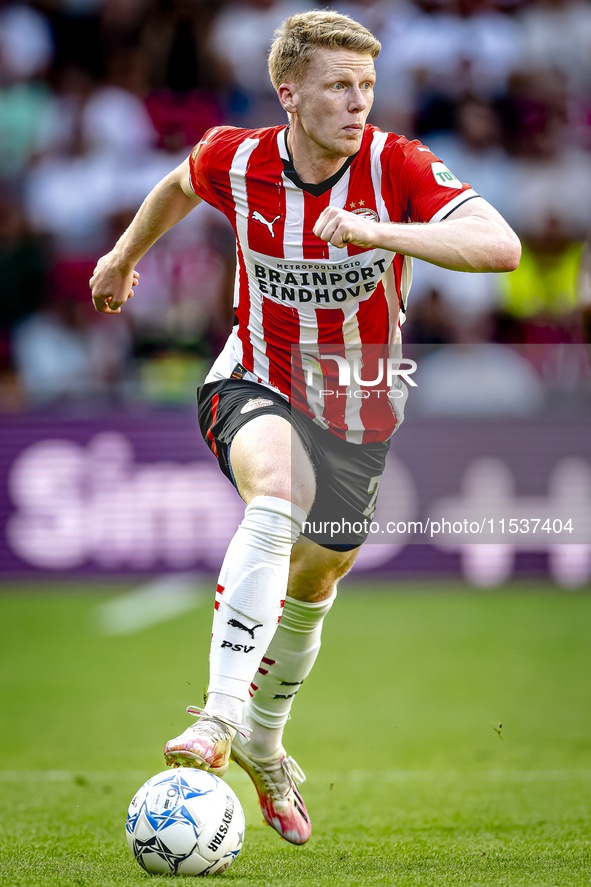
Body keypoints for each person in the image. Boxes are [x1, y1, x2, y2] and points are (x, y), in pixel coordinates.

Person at [90, 10, 521, 847]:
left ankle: (264, 735)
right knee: (277, 493)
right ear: (289, 94)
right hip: (253, 376)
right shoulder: (236, 155)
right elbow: (181, 181)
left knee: (317, 580)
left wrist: (375, 230)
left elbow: (498, 245)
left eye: (365, 86)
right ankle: (218, 719)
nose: (357, 102)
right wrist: (122, 256)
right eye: (337, 86)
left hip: (359, 406)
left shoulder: (394, 166)